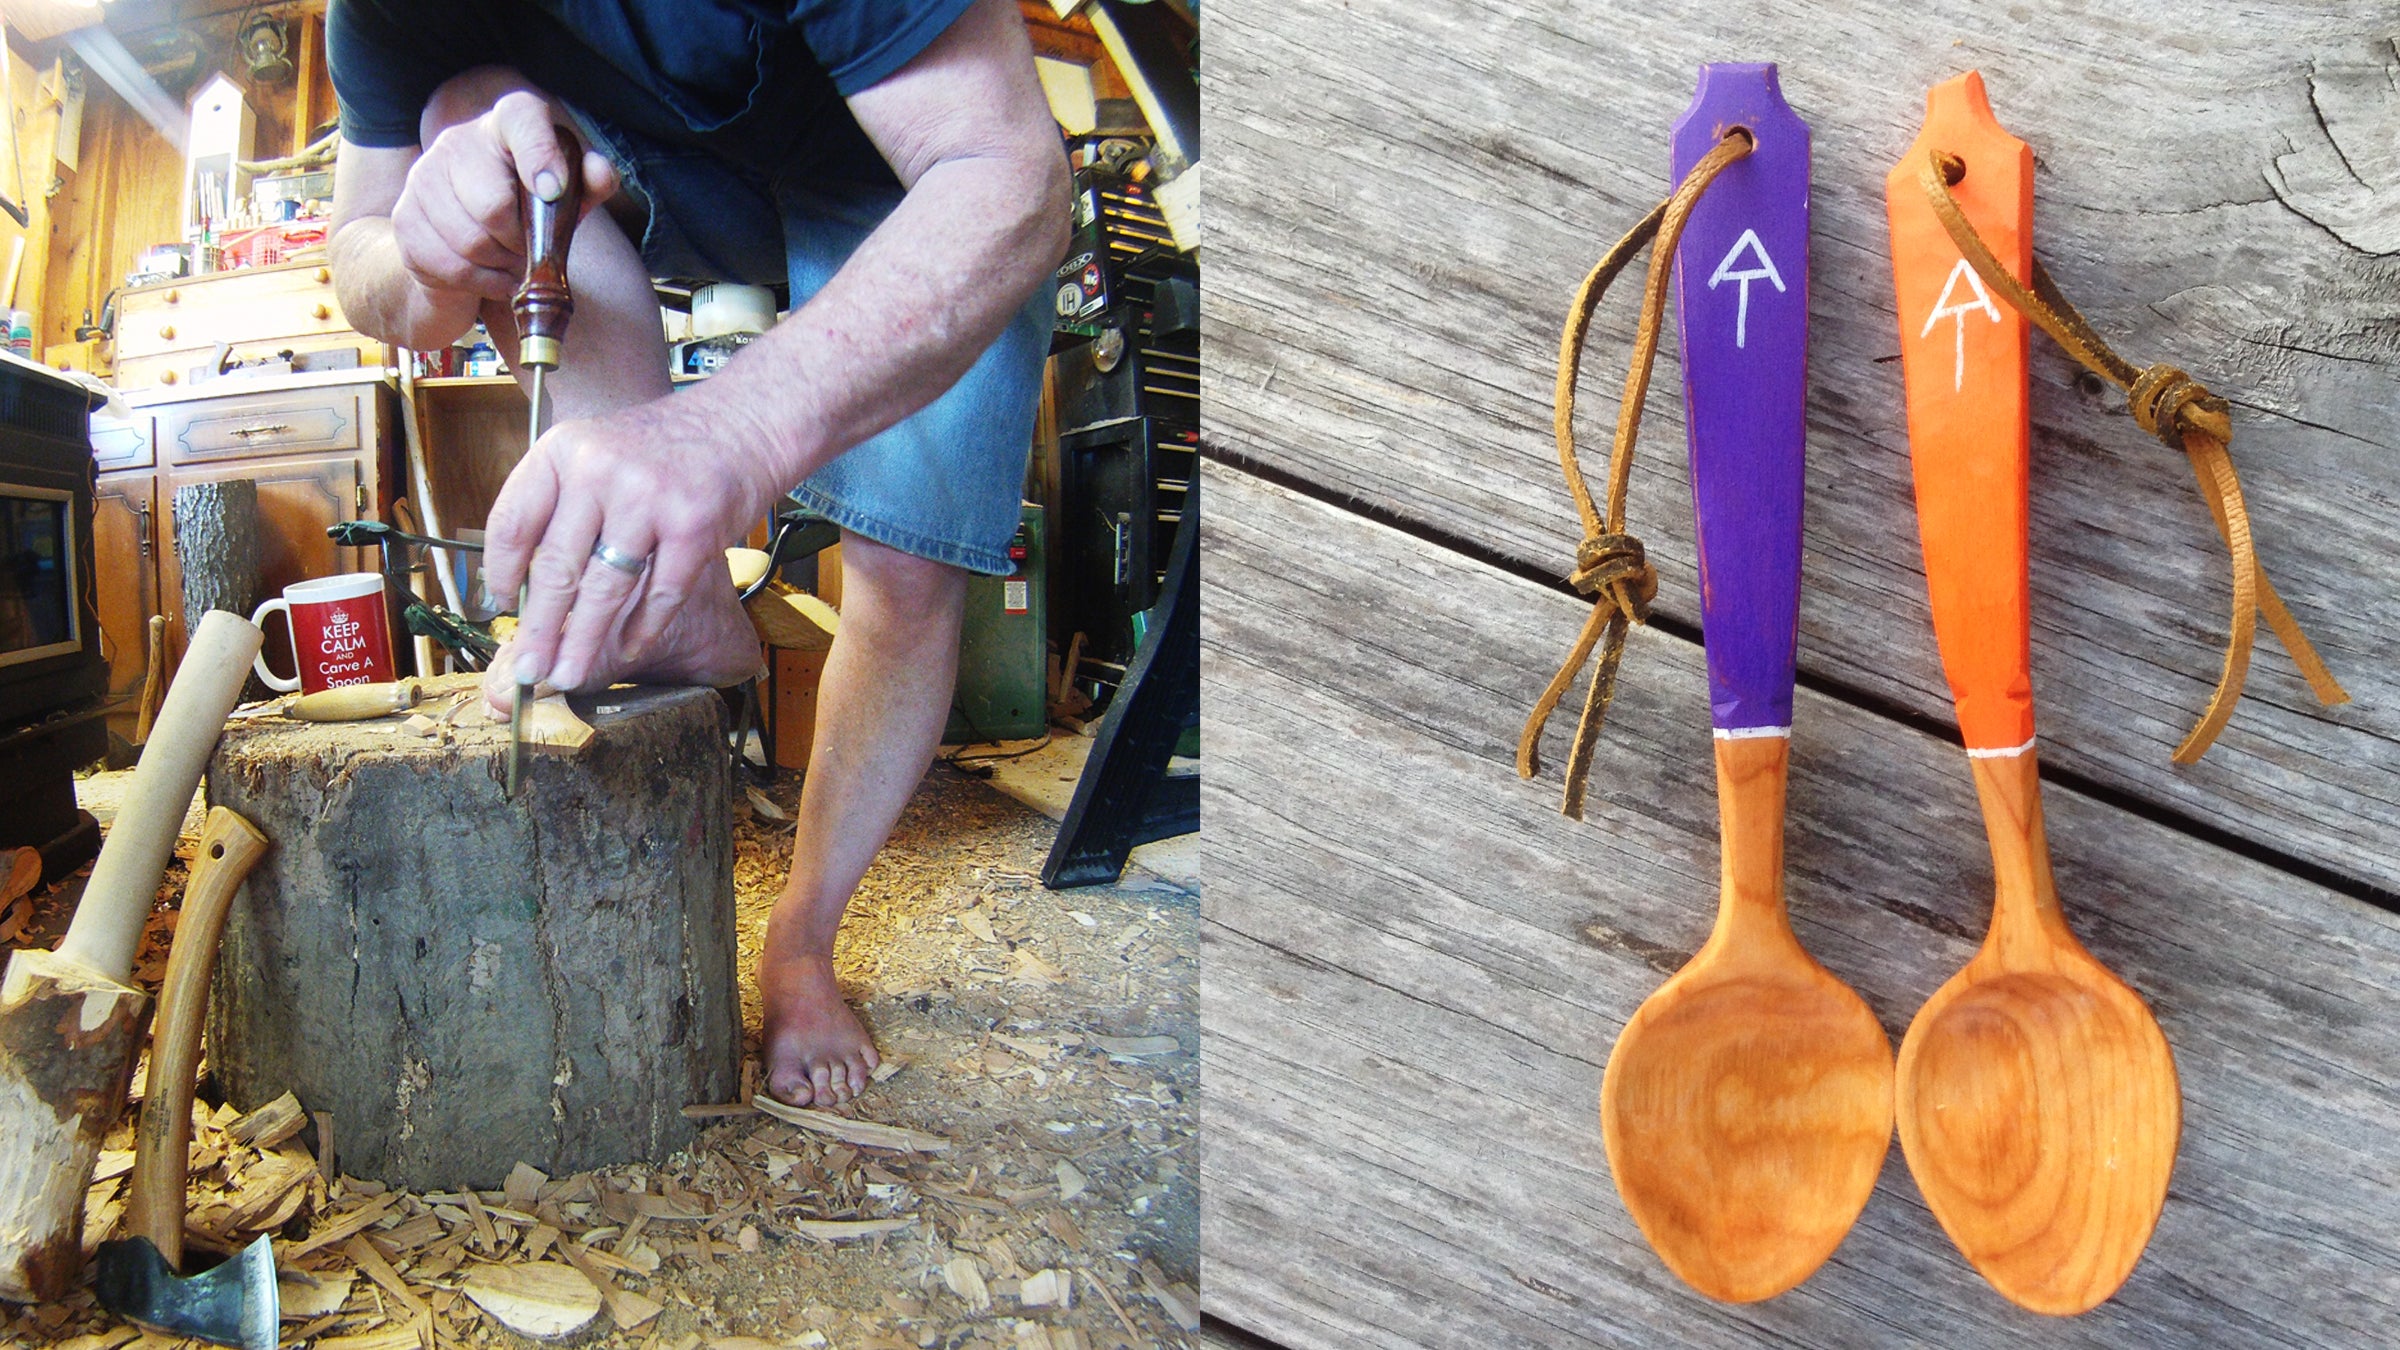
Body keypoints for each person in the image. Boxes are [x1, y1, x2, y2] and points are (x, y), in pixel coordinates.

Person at [323, 0, 1069, 1107]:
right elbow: (359, 257)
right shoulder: (378, 13)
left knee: (908, 571)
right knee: (461, 110)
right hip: (648, 171)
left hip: (912, 174)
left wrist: (734, 432)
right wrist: (426, 253)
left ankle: (803, 943)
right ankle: (663, 602)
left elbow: (1010, 177)